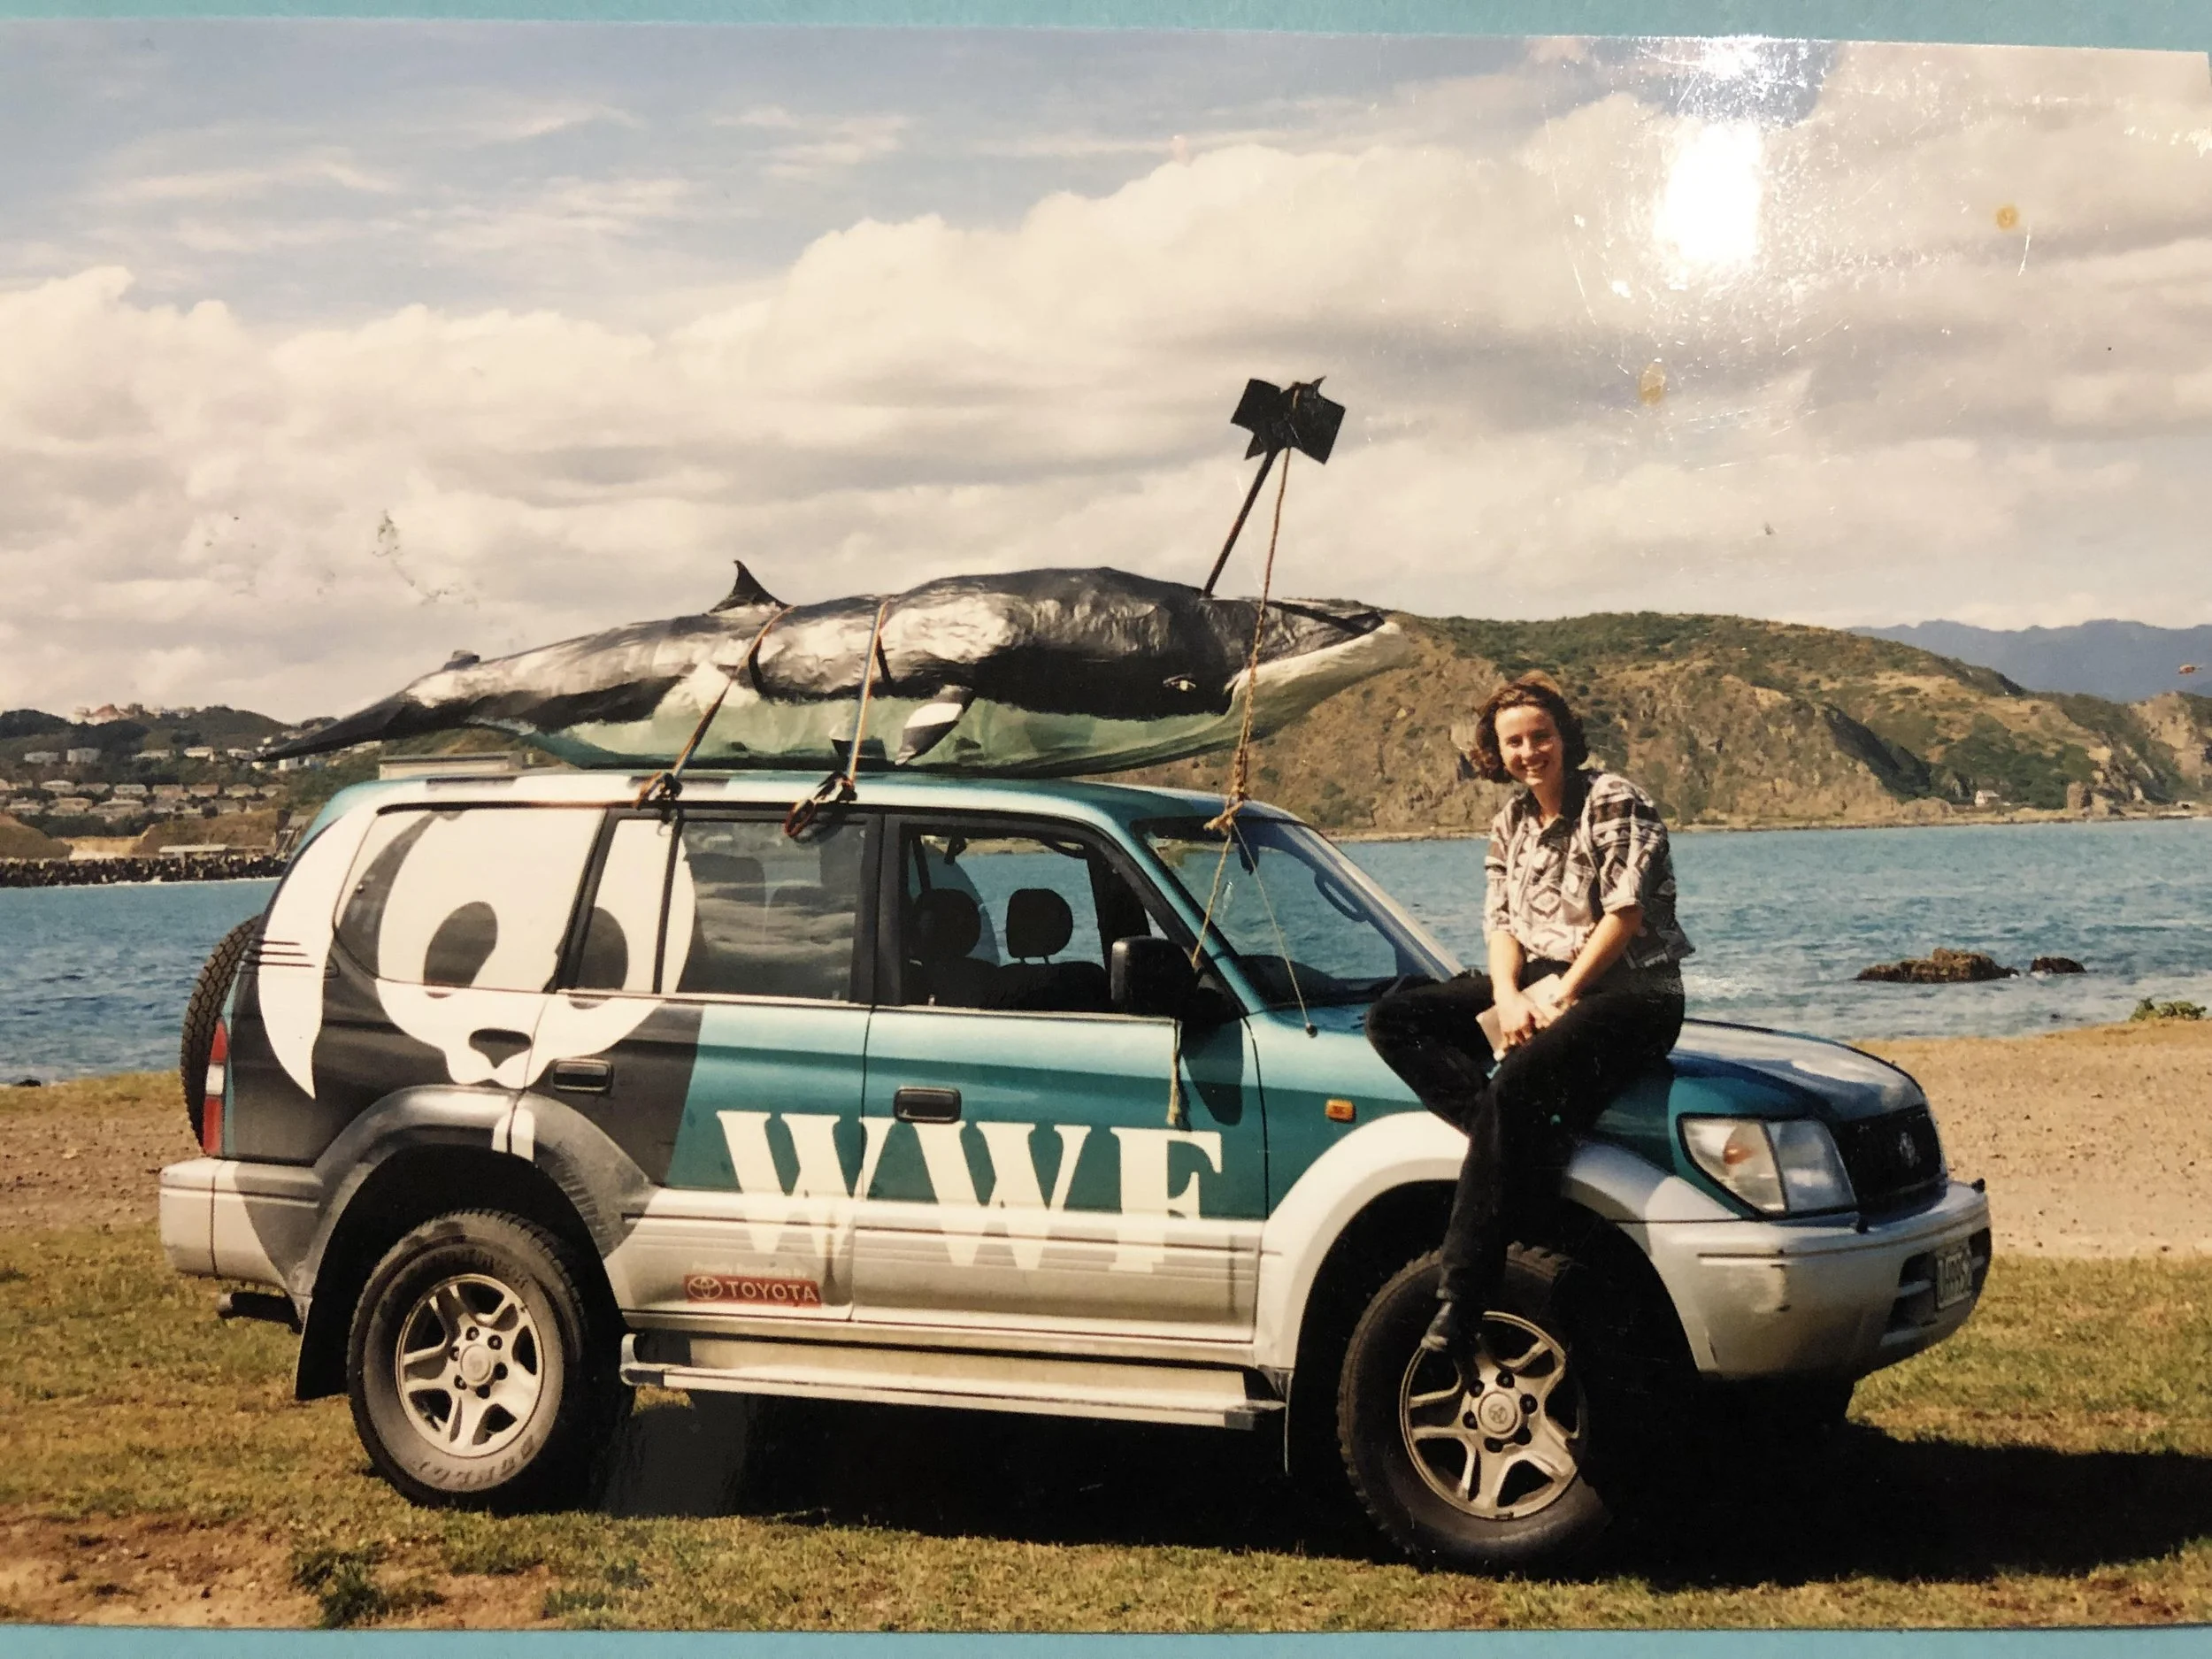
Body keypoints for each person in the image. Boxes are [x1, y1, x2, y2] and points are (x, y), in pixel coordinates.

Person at [1364, 673, 1693, 1361]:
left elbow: (1625, 915)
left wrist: (1565, 994)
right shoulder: (1510, 821)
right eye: (1514, 741)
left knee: (1516, 1086)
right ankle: (1517, 1143)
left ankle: (1460, 1292)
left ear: (1565, 737)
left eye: (1540, 736)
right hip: (1542, 977)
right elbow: (1502, 924)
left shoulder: (1614, 798)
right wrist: (1510, 997)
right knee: (1396, 1020)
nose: (1529, 750)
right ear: (1497, 751)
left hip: (1632, 992)